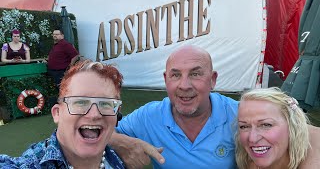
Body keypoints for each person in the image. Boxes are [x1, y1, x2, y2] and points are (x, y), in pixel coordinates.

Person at [110, 45, 239, 168]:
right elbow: (103, 132)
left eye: (195, 74)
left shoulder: (238, 114)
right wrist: (120, 141)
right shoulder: (149, 116)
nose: (184, 85)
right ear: (166, 80)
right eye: (176, 75)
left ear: (212, 80)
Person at [0, 59, 125, 168]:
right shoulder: (32, 163)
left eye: (106, 104)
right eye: (80, 102)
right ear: (57, 113)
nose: (94, 115)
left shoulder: (119, 156)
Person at [235, 87, 320, 169]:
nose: (252, 138)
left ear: (292, 125)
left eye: (266, 125)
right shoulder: (247, 162)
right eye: (244, 126)